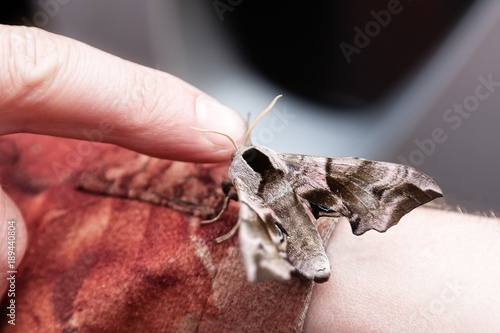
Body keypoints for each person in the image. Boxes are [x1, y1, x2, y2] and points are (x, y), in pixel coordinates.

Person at [1, 25, 499, 331]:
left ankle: (307, 255)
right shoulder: (302, 168)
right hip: (297, 227)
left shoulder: (242, 183)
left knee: (269, 236)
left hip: (285, 243)